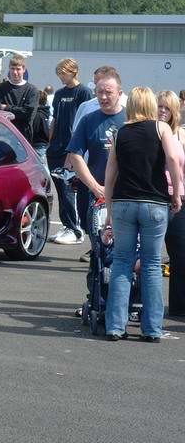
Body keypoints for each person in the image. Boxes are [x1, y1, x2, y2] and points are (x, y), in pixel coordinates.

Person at [104, 87, 182, 342]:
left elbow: (110, 175)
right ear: (150, 104)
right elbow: (172, 157)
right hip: (154, 202)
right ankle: (151, 329)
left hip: (125, 202)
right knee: (150, 265)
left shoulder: (119, 133)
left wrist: (109, 209)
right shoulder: (161, 129)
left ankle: (115, 326)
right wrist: (177, 193)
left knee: (122, 262)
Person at [67, 69, 126, 254]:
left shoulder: (130, 120)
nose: (103, 96)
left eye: (108, 92)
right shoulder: (88, 120)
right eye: (100, 92)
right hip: (96, 192)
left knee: (124, 246)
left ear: (120, 94)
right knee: (97, 241)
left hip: (126, 192)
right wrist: (94, 186)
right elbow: (75, 154)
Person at [47, 58, 93, 245]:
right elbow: (54, 120)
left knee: (71, 189)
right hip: (56, 147)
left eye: (63, 73)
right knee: (60, 188)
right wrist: (50, 142)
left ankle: (77, 229)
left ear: (73, 72)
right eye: (59, 74)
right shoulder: (59, 94)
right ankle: (68, 225)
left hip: (73, 148)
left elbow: (85, 120)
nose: (61, 77)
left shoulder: (84, 92)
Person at [157, 90, 185, 317]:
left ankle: (178, 307)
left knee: (181, 255)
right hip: (155, 197)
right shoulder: (151, 132)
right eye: (160, 106)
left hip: (180, 200)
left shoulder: (182, 135)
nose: (163, 111)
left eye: (167, 108)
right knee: (148, 256)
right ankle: (142, 305)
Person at [0, 55, 39, 142]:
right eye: (12, 69)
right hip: (2, 136)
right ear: (9, 69)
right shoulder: (0, 89)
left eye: (18, 69)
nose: (15, 72)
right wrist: (19, 111)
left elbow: (27, 113)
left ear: (24, 70)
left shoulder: (32, 90)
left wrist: (6, 107)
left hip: (23, 137)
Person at [31, 90, 52, 167]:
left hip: (37, 146)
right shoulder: (45, 113)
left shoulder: (37, 115)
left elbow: (34, 131)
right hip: (44, 146)